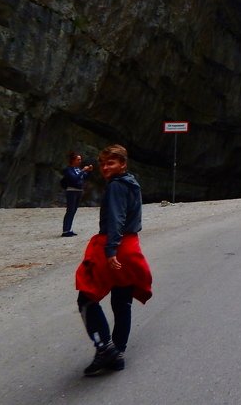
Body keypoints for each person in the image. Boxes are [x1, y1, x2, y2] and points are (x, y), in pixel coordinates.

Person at [74, 144, 153, 376]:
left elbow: (116, 219)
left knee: (86, 296)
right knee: (121, 301)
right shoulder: (131, 183)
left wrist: (110, 251)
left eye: (111, 163)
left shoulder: (117, 186)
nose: (105, 167)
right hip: (131, 246)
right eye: (103, 163)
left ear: (123, 164)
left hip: (116, 246)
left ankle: (104, 348)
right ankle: (117, 353)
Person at [61, 151, 93, 237]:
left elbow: (84, 178)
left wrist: (89, 171)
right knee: (70, 210)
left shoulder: (78, 169)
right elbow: (74, 179)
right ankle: (65, 230)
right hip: (71, 191)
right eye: (78, 159)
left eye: (80, 159)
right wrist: (83, 171)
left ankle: (69, 229)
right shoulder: (68, 170)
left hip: (79, 190)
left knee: (74, 210)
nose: (80, 161)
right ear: (73, 160)